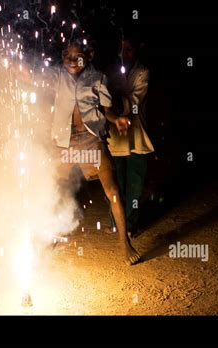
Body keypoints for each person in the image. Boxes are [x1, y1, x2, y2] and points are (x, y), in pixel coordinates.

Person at [45, 39, 141, 265]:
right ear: (62, 58)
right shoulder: (56, 76)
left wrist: (116, 119)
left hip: (91, 140)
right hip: (65, 143)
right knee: (53, 192)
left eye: (77, 56)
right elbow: (35, 84)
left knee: (112, 189)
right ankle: (49, 237)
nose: (72, 61)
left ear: (89, 56)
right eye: (67, 56)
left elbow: (105, 111)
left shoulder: (98, 79)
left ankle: (123, 242)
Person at [106, 34, 155, 238]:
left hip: (137, 139)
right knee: (116, 184)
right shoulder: (110, 73)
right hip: (116, 138)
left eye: (129, 49)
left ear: (136, 51)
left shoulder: (143, 72)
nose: (124, 53)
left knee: (135, 187)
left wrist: (114, 105)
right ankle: (116, 224)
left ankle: (131, 225)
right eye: (122, 49)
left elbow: (135, 99)